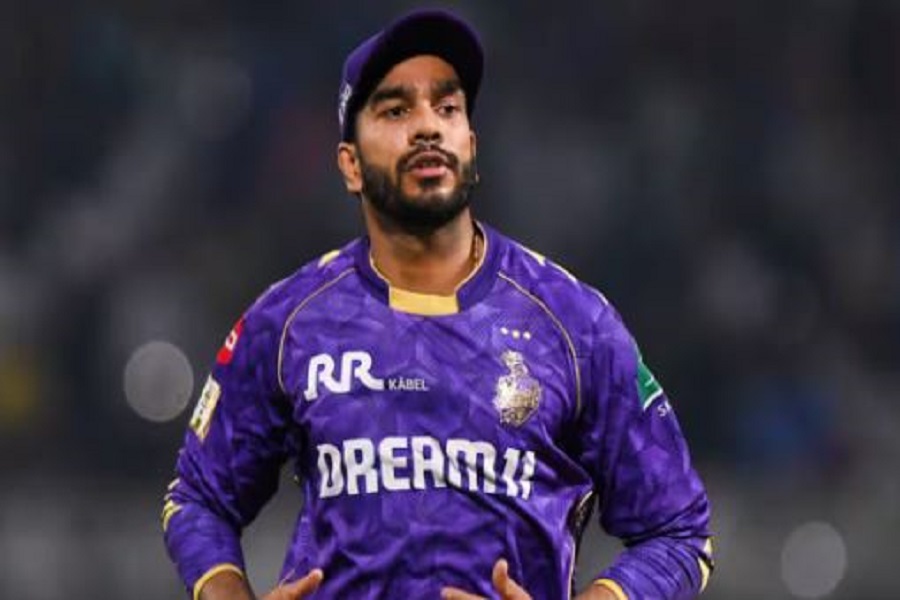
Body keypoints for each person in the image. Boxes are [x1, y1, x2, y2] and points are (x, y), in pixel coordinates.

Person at [162, 8, 714, 600]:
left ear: (470, 144)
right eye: (396, 110)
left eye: (447, 108)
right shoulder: (288, 321)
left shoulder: (576, 323)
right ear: (350, 164)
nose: (428, 126)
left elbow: (680, 532)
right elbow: (198, 498)